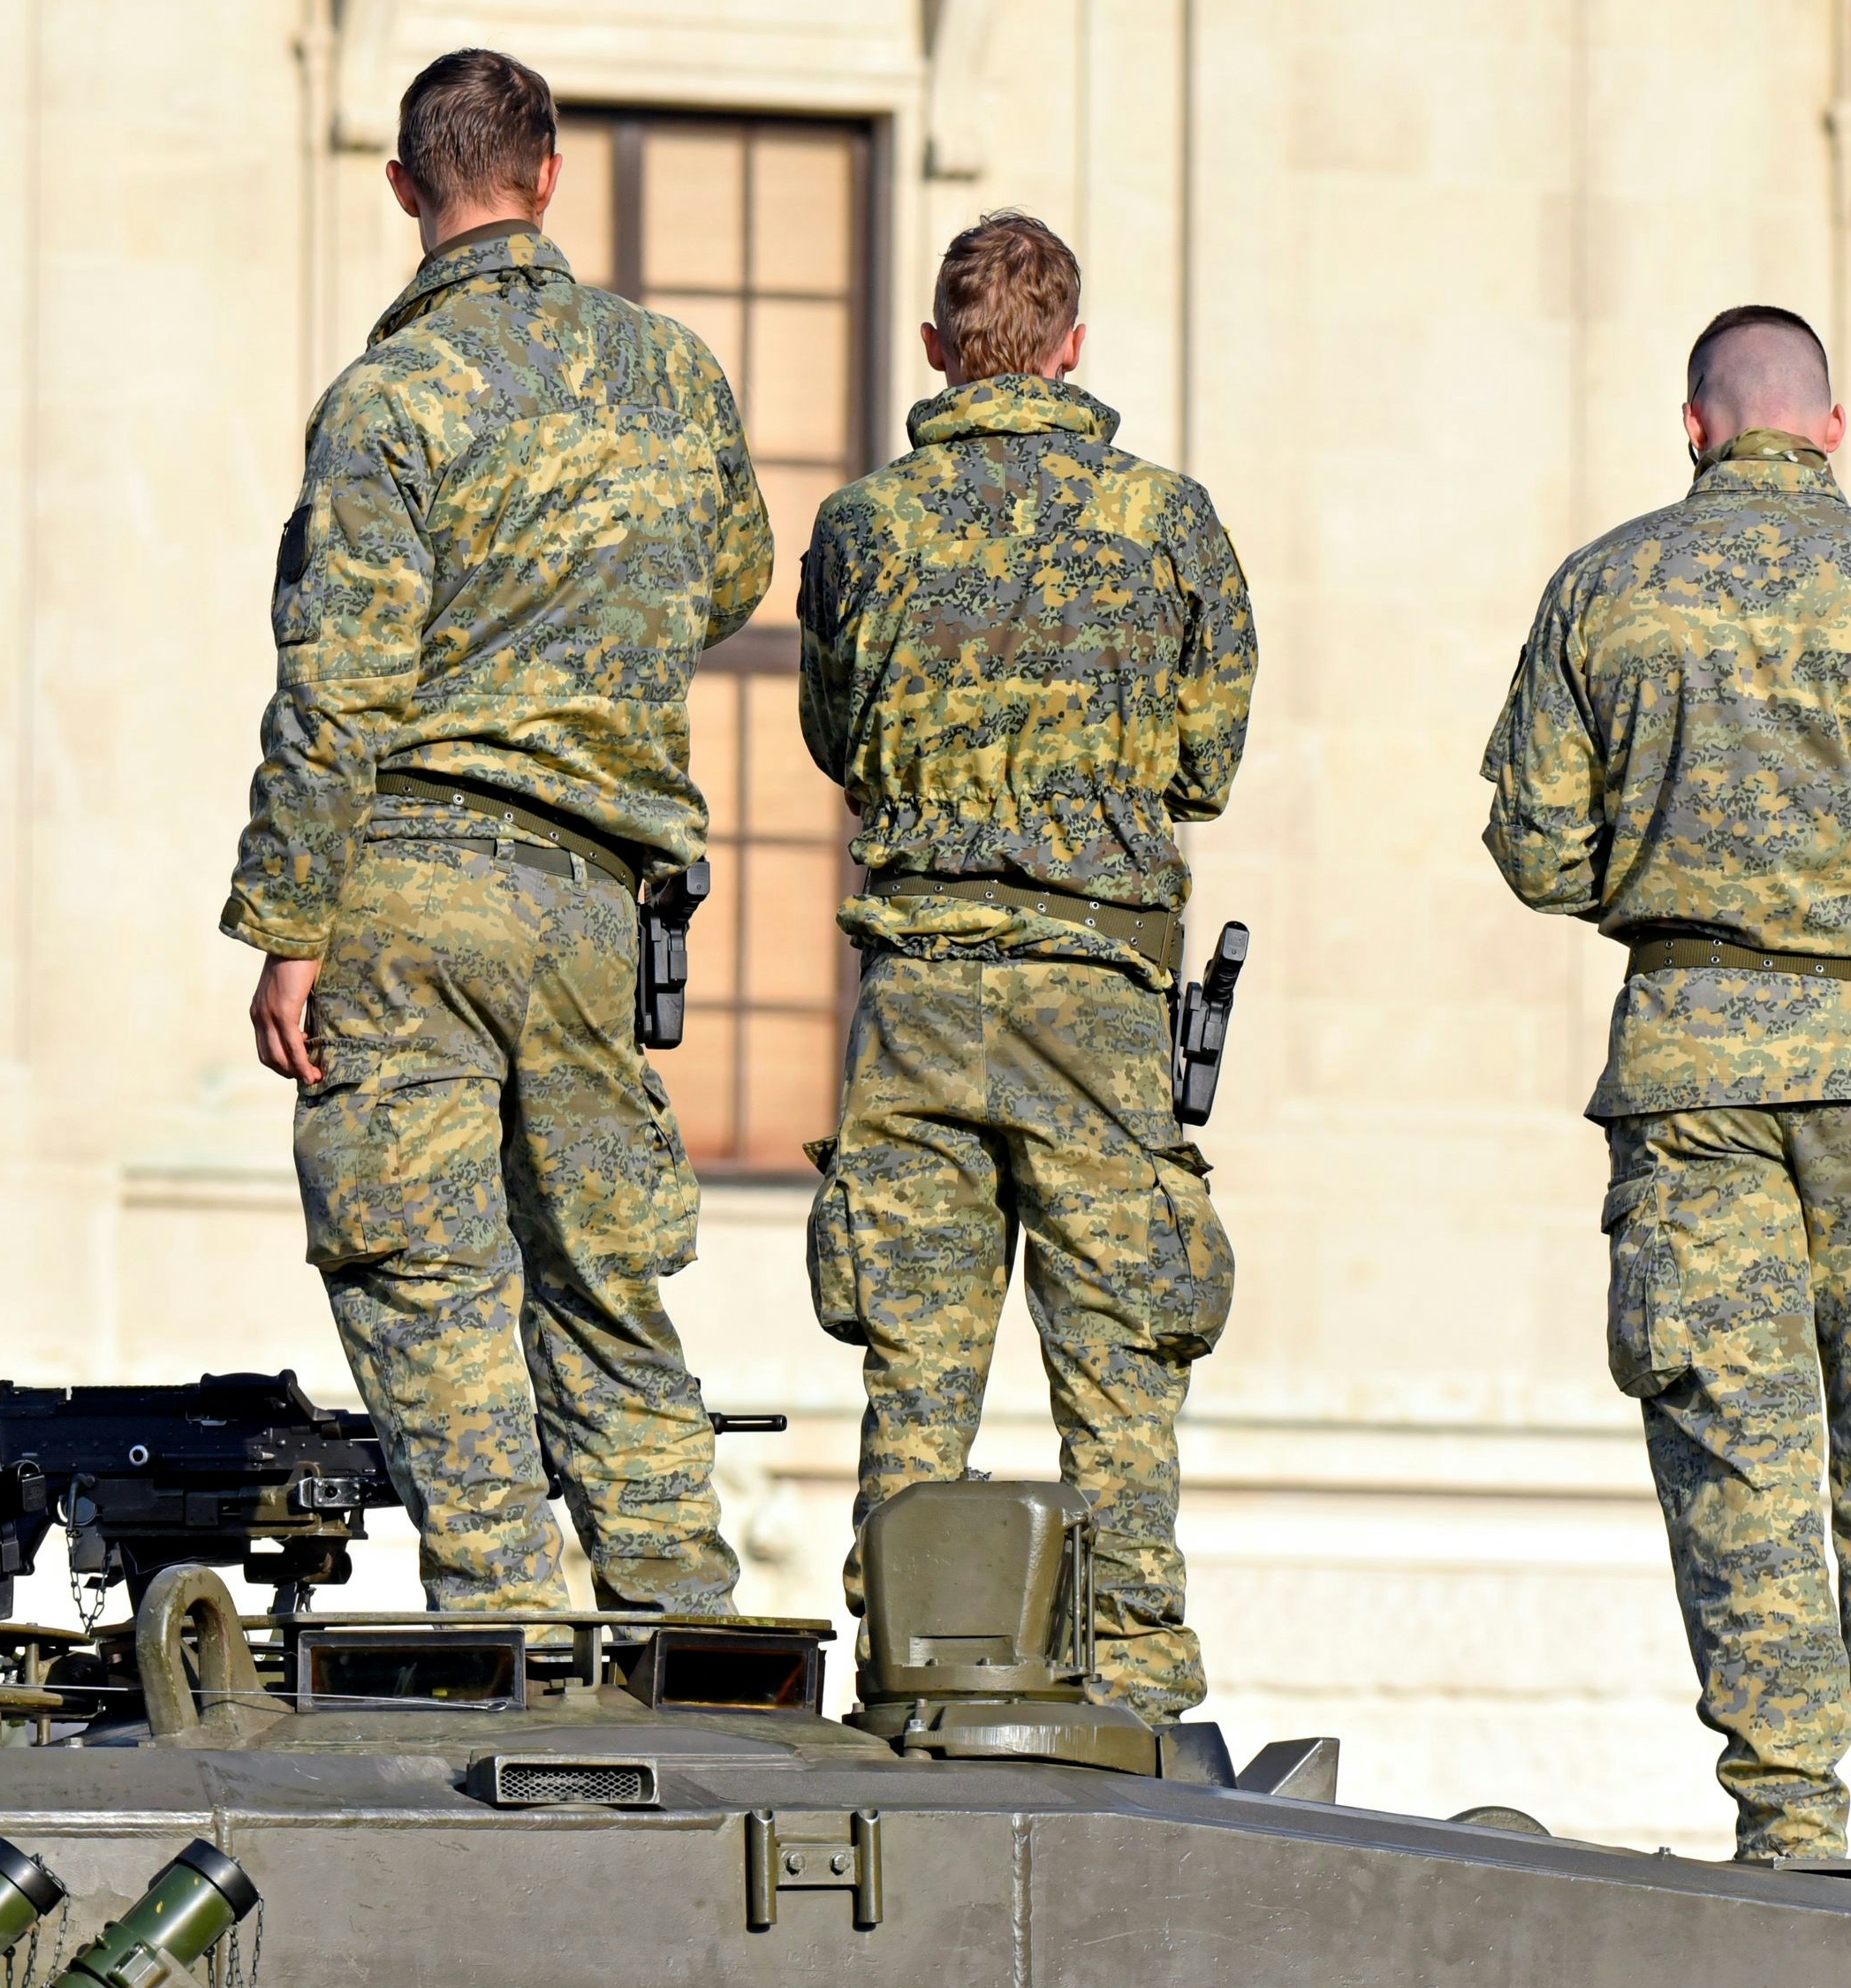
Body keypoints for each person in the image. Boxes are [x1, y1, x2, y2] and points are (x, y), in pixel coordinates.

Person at [1477, 305, 1851, 1861]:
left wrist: (1664, 893)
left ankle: (1787, 1827)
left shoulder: (1603, 590)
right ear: (1831, 431)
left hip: (1687, 1072)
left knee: (1738, 1457)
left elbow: (1535, 846)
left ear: (1694, 426)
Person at [223, 49, 767, 1615]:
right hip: (596, 896)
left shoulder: (388, 401)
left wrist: (289, 925)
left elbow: (335, 683)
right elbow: (727, 578)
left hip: (409, 886)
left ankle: (508, 1615)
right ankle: (679, 1601)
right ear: (548, 175)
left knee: (432, 1273)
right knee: (603, 1262)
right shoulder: (669, 376)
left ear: (406, 188)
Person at [794, 211, 1255, 1723]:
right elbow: (1207, 763)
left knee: (912, 1374)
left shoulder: (865, 527)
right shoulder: (1166, 523)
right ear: (1071, 349)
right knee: (1119, 1372)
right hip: (1095, 1006)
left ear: (938, 349)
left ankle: (909, 1674)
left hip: (920, 998)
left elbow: (835, 741)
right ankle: (1132, 1688)